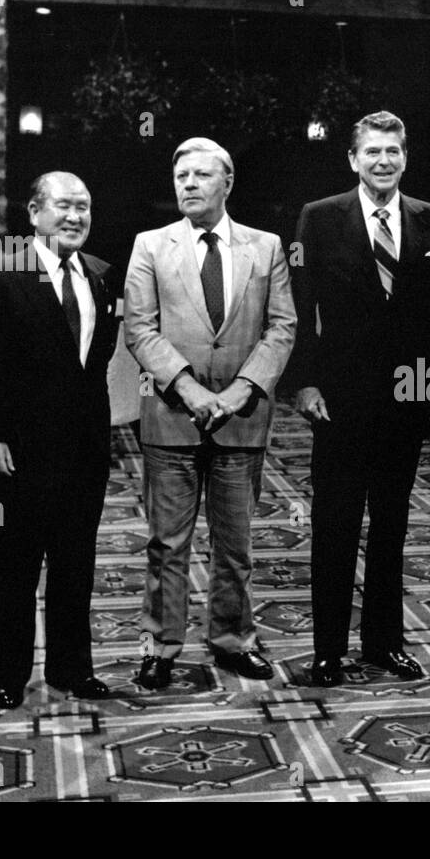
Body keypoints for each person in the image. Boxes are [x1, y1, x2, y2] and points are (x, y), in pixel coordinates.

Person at [292, 111, 430, 686]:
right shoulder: (319, 219)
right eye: (372, 152)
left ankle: (385, 644)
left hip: (406, 401)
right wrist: (305, 382)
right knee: (334, 524)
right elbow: (299, 309)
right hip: (338, 400)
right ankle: (327, 652)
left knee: (392, 526)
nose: (383, 161)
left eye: (393, 151)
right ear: (353, 159)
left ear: (406, 158)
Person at [125, 137, 296, 689]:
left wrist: (244, 388)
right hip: (172, 418)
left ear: (227, 183)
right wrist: (190, 390)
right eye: (182, 177)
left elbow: (282, 326)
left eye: (201, 176)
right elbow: (140, 328)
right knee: (167, 544)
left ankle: (232, 641)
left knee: (236, 546)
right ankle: (161, 646)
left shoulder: (266, 247)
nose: (189, 185)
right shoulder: (149, 245)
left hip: (241, 419)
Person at [0, 172, 121, 709]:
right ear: (34, 213)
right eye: (63, 206)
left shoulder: (100, 275)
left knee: (76, 565)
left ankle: (71, 668)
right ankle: (9, 675)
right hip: (20, 453)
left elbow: (94, 367)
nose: (75, 216)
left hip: (85, 452)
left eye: (84, 206)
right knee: (15, 567)